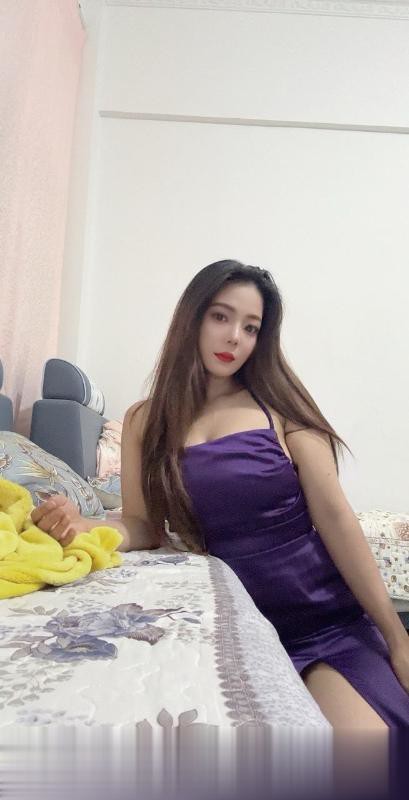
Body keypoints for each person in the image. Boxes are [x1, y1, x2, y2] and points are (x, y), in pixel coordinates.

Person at [32, 260, 409, 735]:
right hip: (234, 627)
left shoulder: (280, 408)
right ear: (192, 317)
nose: (234, 337)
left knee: (366, 745)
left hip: (323, 621)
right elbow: (143, 525)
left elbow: (336, 519)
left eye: (251, 327)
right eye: (220, 316)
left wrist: (398, 640)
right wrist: (86, 526)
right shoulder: (144, 420)